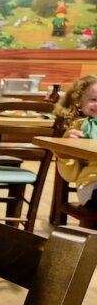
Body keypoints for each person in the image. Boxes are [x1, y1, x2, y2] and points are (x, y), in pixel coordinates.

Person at [52, 75, 97, 208]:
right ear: (79, 102)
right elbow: (70, 175)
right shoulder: (78, 129)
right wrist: (65, 150)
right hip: (92, 184)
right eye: (93, 99)